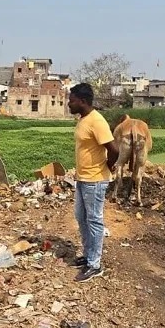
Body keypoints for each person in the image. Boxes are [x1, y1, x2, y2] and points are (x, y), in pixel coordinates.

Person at [67, 83, 119, 283]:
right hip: (83, 178)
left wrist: (109, 165)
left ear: (82, 101)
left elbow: (114, 149)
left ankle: (95, 265)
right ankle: (88, 255)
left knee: (94, 220)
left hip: (95, 180)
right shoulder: (84, 119)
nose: (69, 104)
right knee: (81, 217)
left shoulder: (97, 121)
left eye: (72, 101)